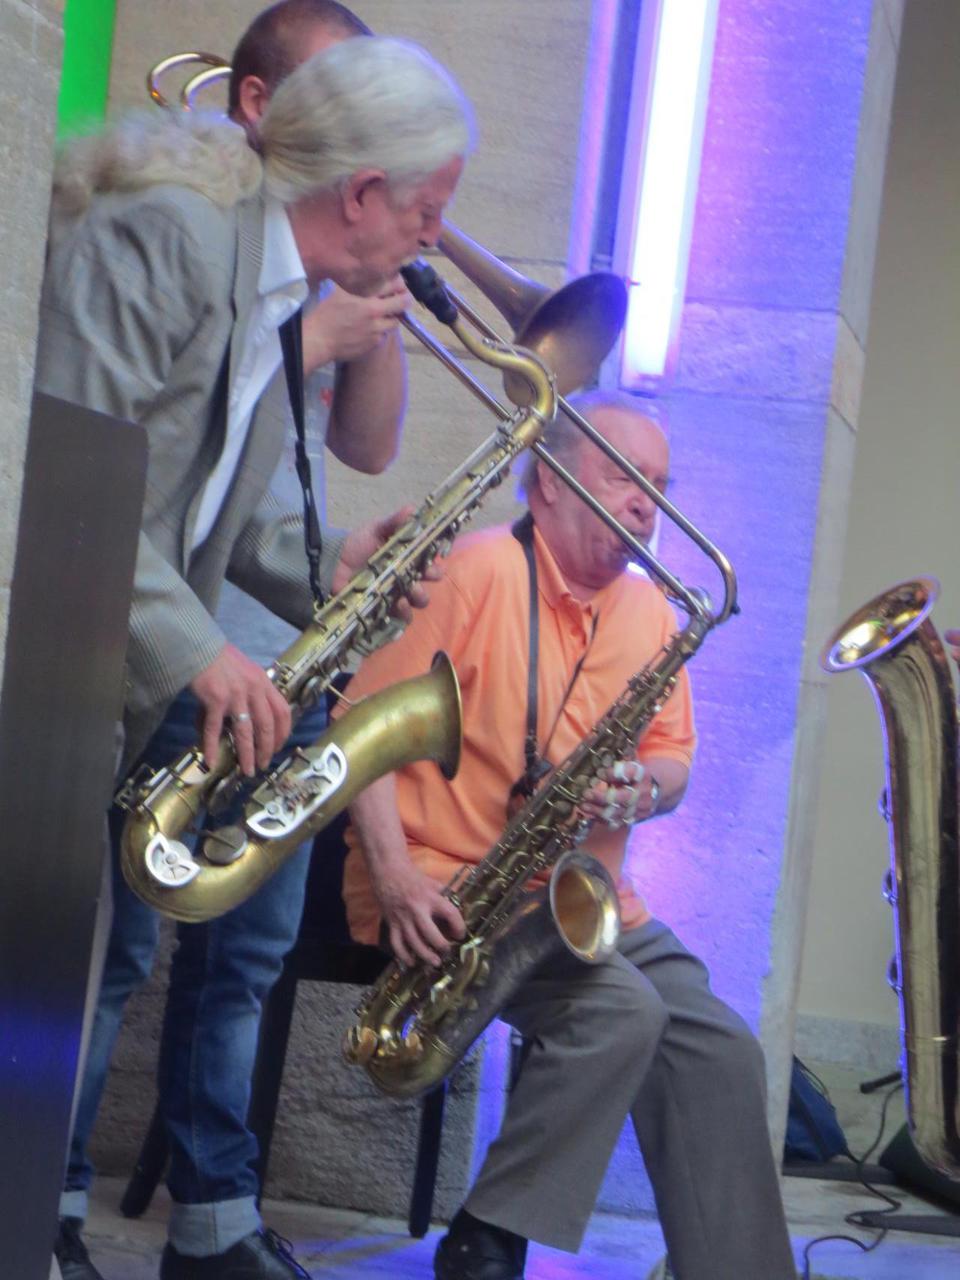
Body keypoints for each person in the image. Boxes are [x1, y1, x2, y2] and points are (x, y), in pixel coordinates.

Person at [39, 27, 474, 1280]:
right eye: (430, 207)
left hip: (113, 665)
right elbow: (64, 471)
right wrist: (202, 655)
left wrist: (329, 570)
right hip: (58, 662)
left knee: (85, 957)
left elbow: (214, 501)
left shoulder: (272, 274)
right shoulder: (172, 234)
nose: (434, 237)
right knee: (59, 965)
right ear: (364, 192)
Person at [339, 392, 798, 1280]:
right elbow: (358, 723)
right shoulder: (474, 571)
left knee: (720, 1047)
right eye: (625, 478)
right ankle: (487, 1241)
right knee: (623, 1011)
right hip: (444, 888)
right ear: (549, 479)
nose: (645, 506)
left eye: (658, 488)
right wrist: (393, 878)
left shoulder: (651, 614)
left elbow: (673, 761)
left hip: (583, 902)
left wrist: (641, 791)